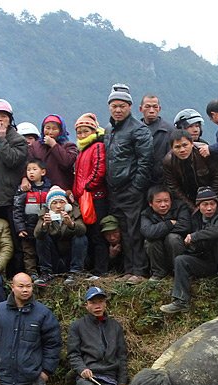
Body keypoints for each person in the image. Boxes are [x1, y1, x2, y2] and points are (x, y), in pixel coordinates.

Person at [104, 83, 153, 283]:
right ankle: (127, 270)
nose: (118, 110)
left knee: (134, 230)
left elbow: (146, 161)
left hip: (131, 189)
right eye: (114, 106)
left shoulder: (138, 130)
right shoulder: (109, 130)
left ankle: (139, 271)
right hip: (114, 190)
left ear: (130, 107)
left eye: (122, 106)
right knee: (122, 231)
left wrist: (136, 187)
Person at [160, 186, 218, 313]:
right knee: (181, 260)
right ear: (198, 206)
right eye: (205, 204)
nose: (209, 208)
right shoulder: (195, 218)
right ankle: (181, 301)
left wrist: (195, 236)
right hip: (206, 262)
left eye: (212, 204)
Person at [66, 286, 128, 385]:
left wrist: (122, 381)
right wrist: (82, 369)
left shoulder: (115, 327)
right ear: (86, 305)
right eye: (93, 302)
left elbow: (121, 356)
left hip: (110, 376)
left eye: (100, 301)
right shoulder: (77, 326)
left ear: (105, 304)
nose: (97, 306)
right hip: (88, 374)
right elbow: (73, 354)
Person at [73, 113, 109, 279]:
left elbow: (99, 170)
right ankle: (92, 268)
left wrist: (86, 187)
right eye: (79, 132)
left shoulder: (97, 146)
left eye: (85, 131)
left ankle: (101, 270)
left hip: (96, 197)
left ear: (93, 130)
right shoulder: (82, 150)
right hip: (84, 198)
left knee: (98, 233)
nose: (81, 135)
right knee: (88, 233)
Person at [33, 186, 88, 285]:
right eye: (54, 203)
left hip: (70, 255)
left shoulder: (73, 212)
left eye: (61, 202)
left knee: (80, 237)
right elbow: (37, 234)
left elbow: (82, 229)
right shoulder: (45, 215)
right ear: (50, 205)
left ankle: (76, 273)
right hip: (54, 256)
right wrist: (45, 225)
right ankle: (46, 273)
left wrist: (71, 224)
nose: (58, 206)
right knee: (41, 238)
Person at [0, 99, 28, 221]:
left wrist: (2, 139)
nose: (0, 120)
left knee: (11, 237)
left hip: (9, 199)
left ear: (10, 119)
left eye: (3, 116)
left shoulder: (19, 140)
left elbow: (12, 160)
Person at [162, 129, 218, 210]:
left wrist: (210, 200)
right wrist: (192, 207)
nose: (182, 150)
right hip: (187, 198)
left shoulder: (204, 152)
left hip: (212, 195)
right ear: (172, 148)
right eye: (177, 147)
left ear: (192, 143)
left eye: (185, 145)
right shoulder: (168, 161)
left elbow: (217, 176)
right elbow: (174, 187)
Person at [12, 160, 52, 277]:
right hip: (27, 227)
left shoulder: (49, 189)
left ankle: (46, 272)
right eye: (29, 170)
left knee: (44, 250)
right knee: (29, 252)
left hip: (43, 228)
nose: (31, 172)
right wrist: (20, 228)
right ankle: (32, 274)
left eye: (34, 169)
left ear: (43, 172)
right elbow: (17, 210)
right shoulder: (24, 189)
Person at [140, 185, 189, 280]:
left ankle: (178, 271)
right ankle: (158, 273)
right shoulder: (146, 213)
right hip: (158, 250)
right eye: (158, 202)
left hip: (178, 247)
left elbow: (185, 226)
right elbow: (148, 232)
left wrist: (159, 231)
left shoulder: (180, 206)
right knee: (151, 241)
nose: (163, 205)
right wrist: (169, 223)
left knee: (172, 238)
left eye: (166, 201)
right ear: (150, 203)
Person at [26, 115, 77, 190]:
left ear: (61, 131)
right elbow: (27, 164)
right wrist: (25, 178)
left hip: (61, 190)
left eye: (54, 129)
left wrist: (54, 145)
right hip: (38, 189)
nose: (50, 132)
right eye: (47, 128)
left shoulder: (69, 146)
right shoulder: (35, 146)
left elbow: (67, 163)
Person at [139, 95, 171, 183]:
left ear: (159, 109)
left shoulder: (169, 130)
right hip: (139, 182)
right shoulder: (135, 131)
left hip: (162, 182)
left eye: (155, 107)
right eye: (147, 107)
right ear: (141, 109)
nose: (151, 110)